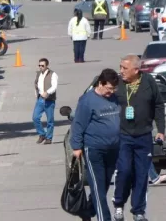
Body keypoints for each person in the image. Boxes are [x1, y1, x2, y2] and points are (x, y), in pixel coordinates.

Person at [113, 54, 166, 221]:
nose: (121, 71)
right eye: (120, 67)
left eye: (125, 68)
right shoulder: (117, 83)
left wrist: (161, 129)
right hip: (123, 136)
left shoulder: (148, 81)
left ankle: (138, 211)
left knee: (142, 175)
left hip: (143, 135)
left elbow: (158, 104)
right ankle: (119, 204)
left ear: (136, 70)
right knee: (124, 171)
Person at [71, 69, 121, 221]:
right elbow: (78, 124)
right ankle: (103, 218)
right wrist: (77, 147)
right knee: (97, 187)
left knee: (104, 184)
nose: (111, 92)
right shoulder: (87, 100)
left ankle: (88, 210)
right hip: (94, 149)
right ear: (100, 83)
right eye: (109, 88)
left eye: (113, 89)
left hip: (113, 148)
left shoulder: (114, 98)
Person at [33, 58, 58, 144]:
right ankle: (42, 134)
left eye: (42, 65)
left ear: (47, 66)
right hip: (40, 99)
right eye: (39, 65)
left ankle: (49, 138)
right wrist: (36, 93)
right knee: (35, 117)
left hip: (49, 100)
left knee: (50, 120)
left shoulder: (53, 74)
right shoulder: (38, 74)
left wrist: (47, 92)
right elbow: (36, 83)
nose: (40, 67)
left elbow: (54, 87)